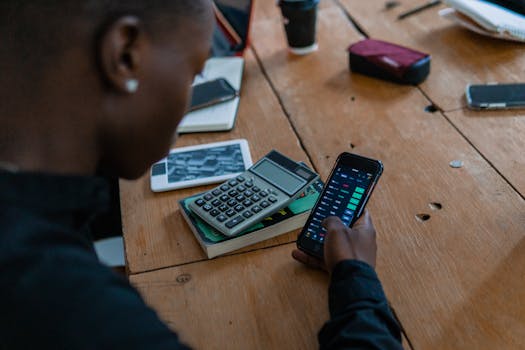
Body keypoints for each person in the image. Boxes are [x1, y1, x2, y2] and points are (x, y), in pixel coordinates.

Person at [0, 1, 402, 349]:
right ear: (125, 56)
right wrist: (358, 284)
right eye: (194, 72)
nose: (191, 97)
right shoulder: (73, 311)